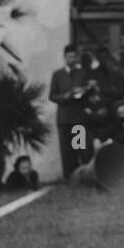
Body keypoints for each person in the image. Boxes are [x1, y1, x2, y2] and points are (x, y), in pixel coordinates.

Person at [47, 44, 88, 181]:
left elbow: (88, 94)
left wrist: (85, 91)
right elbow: (52, 96)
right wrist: (67, 95)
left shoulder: (82, 73)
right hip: (64, 119)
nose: (72, 59)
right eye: (69, 57)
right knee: (66, 151)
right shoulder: (58, 74)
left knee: (80, 148)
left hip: (78, 118)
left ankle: (82, 177)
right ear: (65, 57)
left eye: (74, 56)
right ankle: (69, 178)